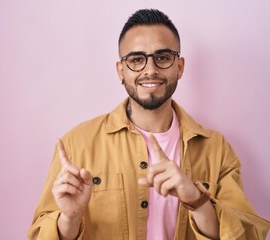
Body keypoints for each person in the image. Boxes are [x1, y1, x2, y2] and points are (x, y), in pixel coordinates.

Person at [28, 9, 269, 239]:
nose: (150, 70)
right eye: (136, 59)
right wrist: (69, 220)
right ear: (120, 70)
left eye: (163, 58)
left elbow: (248, 235)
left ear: (180, 66)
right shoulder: (76, 144)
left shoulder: (217, 150)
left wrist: (197, 200)